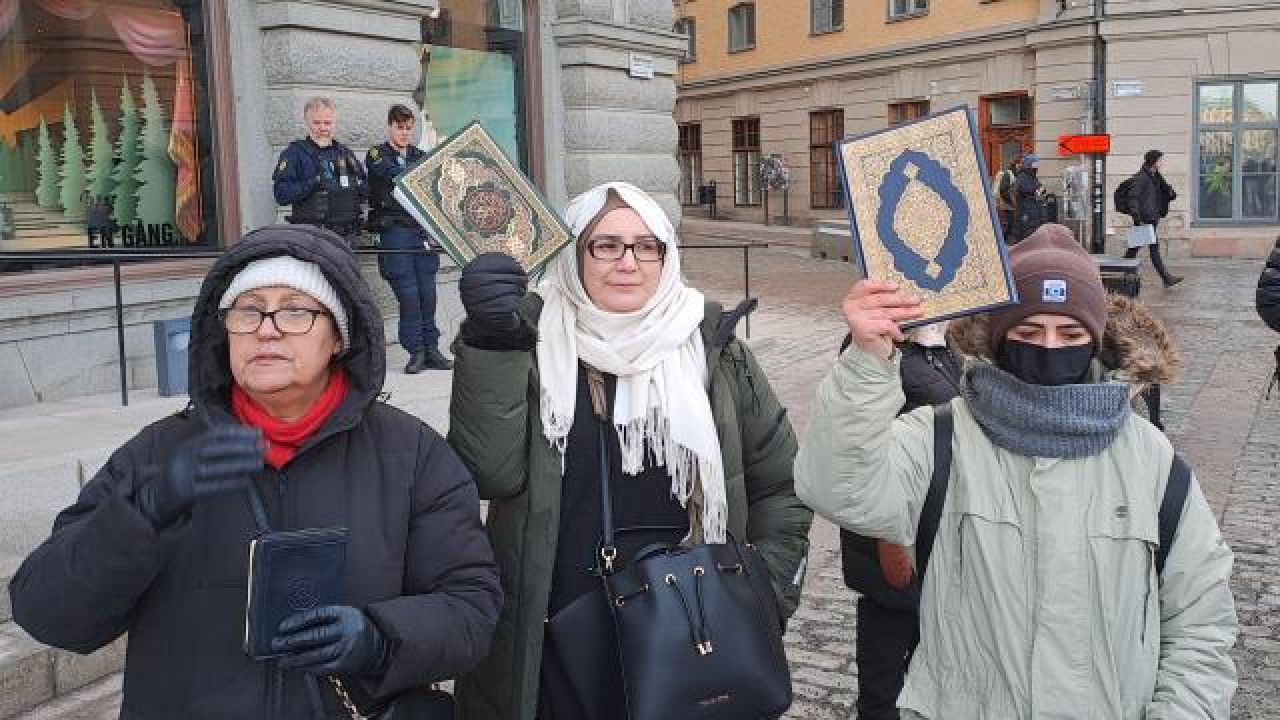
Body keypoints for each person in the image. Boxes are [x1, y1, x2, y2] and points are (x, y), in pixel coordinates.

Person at [8, 224, 502, 718]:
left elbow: (471, 609)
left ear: (338, 338)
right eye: (248, 311)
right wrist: (141, 513)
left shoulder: (410, 454)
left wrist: (378, 639)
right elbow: (48, 615)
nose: (267, 328)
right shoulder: (158, 454)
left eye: (295, 310)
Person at [795, 224, 1238, 719]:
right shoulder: (940, 436)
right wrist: (868, 359)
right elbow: (837, 488)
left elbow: (1200, 620)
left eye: (1069, 334)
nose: (1049, 348)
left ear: (1094, 342)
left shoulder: (1152, 460)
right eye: (1029, 332)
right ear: (1002, 339)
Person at [448, 182, 814, 720]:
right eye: (606, 245)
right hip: (558, 631)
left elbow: (782, 485)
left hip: (693, 623)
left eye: (647, 246)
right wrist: (490, 344)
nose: (629, 262)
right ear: (574, 254)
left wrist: (766, 594)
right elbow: (489, 475)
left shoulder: (713, 348)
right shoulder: (528, 343)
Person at [837, 321, 960, 720]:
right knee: (884, 674)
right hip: (890, 540)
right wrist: (891, 539)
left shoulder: (950, 347)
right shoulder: (879, 345)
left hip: (941, 531)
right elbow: (859, 443)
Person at [367, 104, 451, 373]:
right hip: (395, 231)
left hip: (419, 231)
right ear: (389, 127)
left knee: (428, 294)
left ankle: (432, 350)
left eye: (408, 128)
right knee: (409, 295)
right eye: (399, 127)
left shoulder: (418, 155)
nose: (403, 133)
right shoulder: (377, 154)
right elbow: (397, 178)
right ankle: (415, 352)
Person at [273, 97, 368, 242]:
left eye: (327, 123)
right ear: (307, 122)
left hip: (347, 236)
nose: (322, 128)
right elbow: (281, 194)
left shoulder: (345, 153)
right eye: (316, 123)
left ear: (334, 123)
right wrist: (313, 183)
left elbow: (364, 188)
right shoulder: (295, 153)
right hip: (312, 236)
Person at [1125, 150, 1183, 287]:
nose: (1162, 163)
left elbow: (1166, 191)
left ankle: (1121, 271)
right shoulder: (1141, 178)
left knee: (1133, 249)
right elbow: (1132, 198)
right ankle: (1166, 278)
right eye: (1160, 160)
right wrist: (1137, 218)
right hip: (1145, 219)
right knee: (1153, 249)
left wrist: (1169, 193)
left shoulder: (1155, 176)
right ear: (1154, 162)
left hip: (1152, 217)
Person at [1009, 152, 1046, 243]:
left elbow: (1040, 188)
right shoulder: (1022, 177)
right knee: (1024, 238)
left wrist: (1040, 190)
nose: (1037, 168)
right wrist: (1037, 190)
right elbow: (1029, 190)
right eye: (1035, 165)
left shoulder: (1032, 177)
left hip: (1033, 213)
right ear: (1029, 166)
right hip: (1026, 214)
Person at [993, 158, 1020, 243]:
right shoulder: (1008, 174)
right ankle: (1001, 241)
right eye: (1019, 165)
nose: (1020, 167)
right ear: (1015, 165)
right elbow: (1003, 189)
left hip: (1011, 204)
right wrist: (1010, 200)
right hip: (1008, 204)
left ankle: (1004, 240)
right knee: (1007, 223)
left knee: (1010, 223)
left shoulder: (1014, 174)